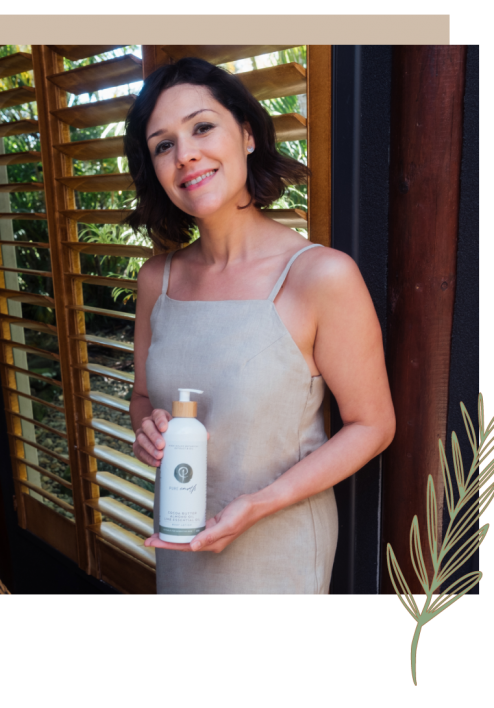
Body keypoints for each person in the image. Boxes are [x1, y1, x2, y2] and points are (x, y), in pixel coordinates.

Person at [125, 57, 395, 595]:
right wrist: (146, 431)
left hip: (277, 553)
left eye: (202, 127)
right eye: (163, 145)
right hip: (179, 545)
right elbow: (142, 398)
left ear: (247, 135)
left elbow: (373, 425)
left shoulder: (321, 276)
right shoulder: (157, 279)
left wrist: (260, 504)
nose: (186, 154)